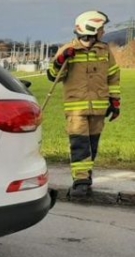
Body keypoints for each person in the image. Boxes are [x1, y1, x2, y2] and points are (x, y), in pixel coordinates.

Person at [47, 10, 121, 197]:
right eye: (101, 29)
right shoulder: (67, 50)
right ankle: (80, 181)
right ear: (91, 29)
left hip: (99, 108)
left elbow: (113, 76)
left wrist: (115, 102)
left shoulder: (104, 51)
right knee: (80, 145)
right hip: (76, 109)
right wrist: (62, 60)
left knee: (92, 145)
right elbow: (53, 76)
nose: (103, 32)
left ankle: (86, 176)